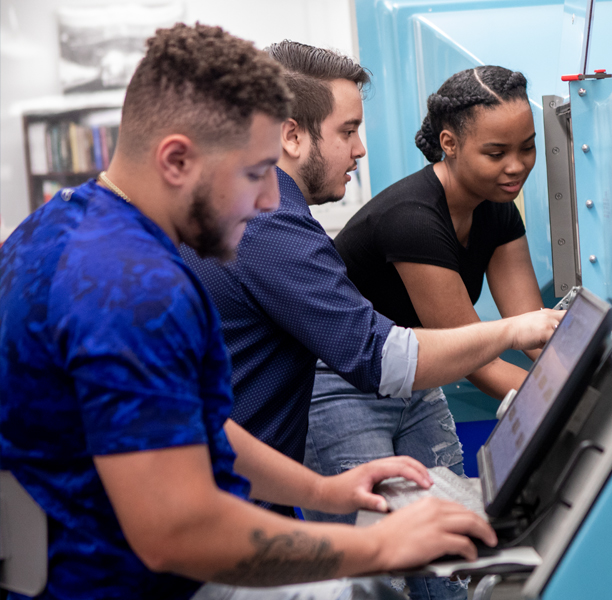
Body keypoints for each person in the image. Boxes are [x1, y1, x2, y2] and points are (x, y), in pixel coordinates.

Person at [0, 24, 501, 600]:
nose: (269, 202)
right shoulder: (135, 289)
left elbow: (190, 425)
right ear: (176, 160)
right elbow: (178, 531)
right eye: (256, 174)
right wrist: (382, 547)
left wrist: (324, 491)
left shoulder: (60, 222)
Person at [180, 44, 560, 514]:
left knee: (442, 543)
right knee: (383, 562)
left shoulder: (250, 209)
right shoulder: (271, 224)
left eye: (528, 148)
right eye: (349, 130)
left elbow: (530, 330)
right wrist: (545, 371)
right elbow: (380, 357)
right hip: (327, 400)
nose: (360, 148)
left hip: (248, 469)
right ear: (292, 136)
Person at [311, 65, 544, 517]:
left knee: (451, 542)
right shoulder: (413, 218)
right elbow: (476, 356)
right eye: (496, 153)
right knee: (376, 553)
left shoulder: (497, 209)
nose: (516, 166)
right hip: (342, 381)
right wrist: (567, 406)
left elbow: (536, 334)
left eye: (527, 147)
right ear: (449, 144)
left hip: (417, 374)